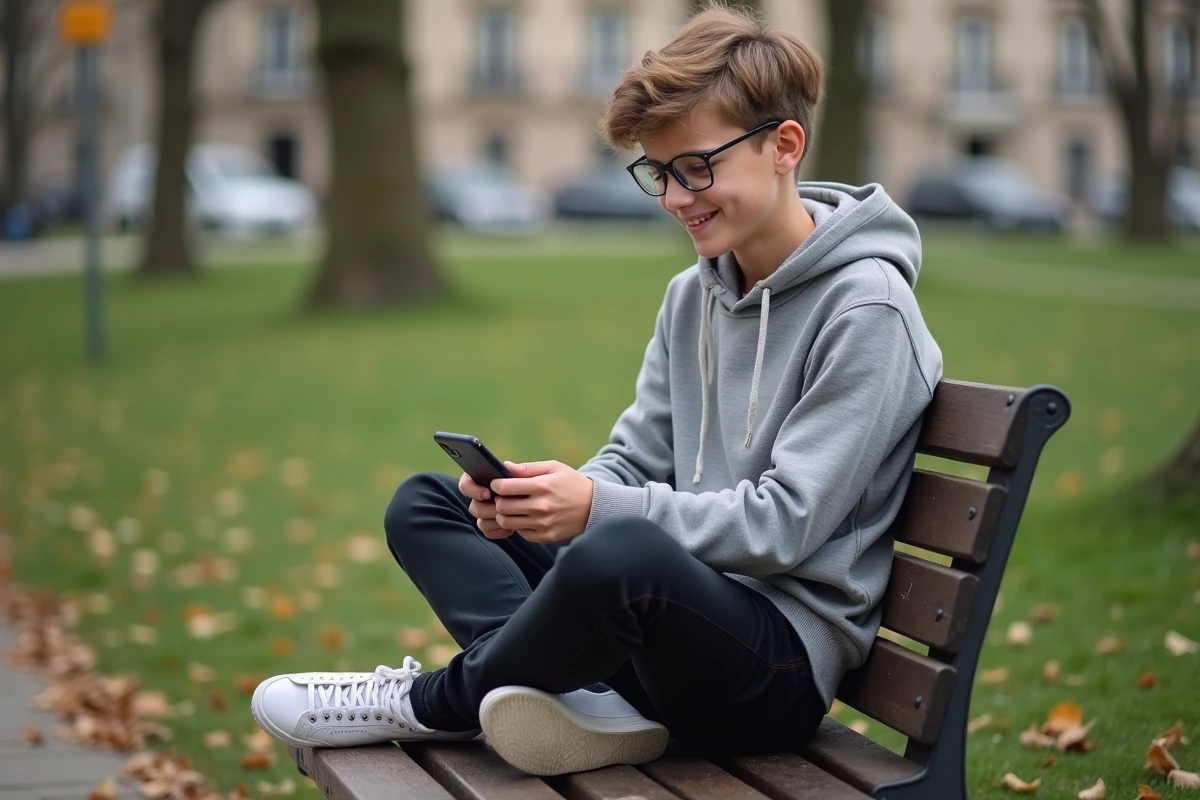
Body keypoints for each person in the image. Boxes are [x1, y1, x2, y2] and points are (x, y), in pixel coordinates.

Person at [251, 3, 943, 777]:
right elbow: (632, 460)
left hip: (773, 670)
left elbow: (785, 525)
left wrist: (596, 512)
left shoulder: (868, 310)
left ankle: (439, 702)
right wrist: (548, 498)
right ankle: (556, 694)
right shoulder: (695, 296)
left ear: (784, 146)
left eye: (696, 168)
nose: (677, 198)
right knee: (429, 501)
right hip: (671, 623)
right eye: (659, 173)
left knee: (619, 547)